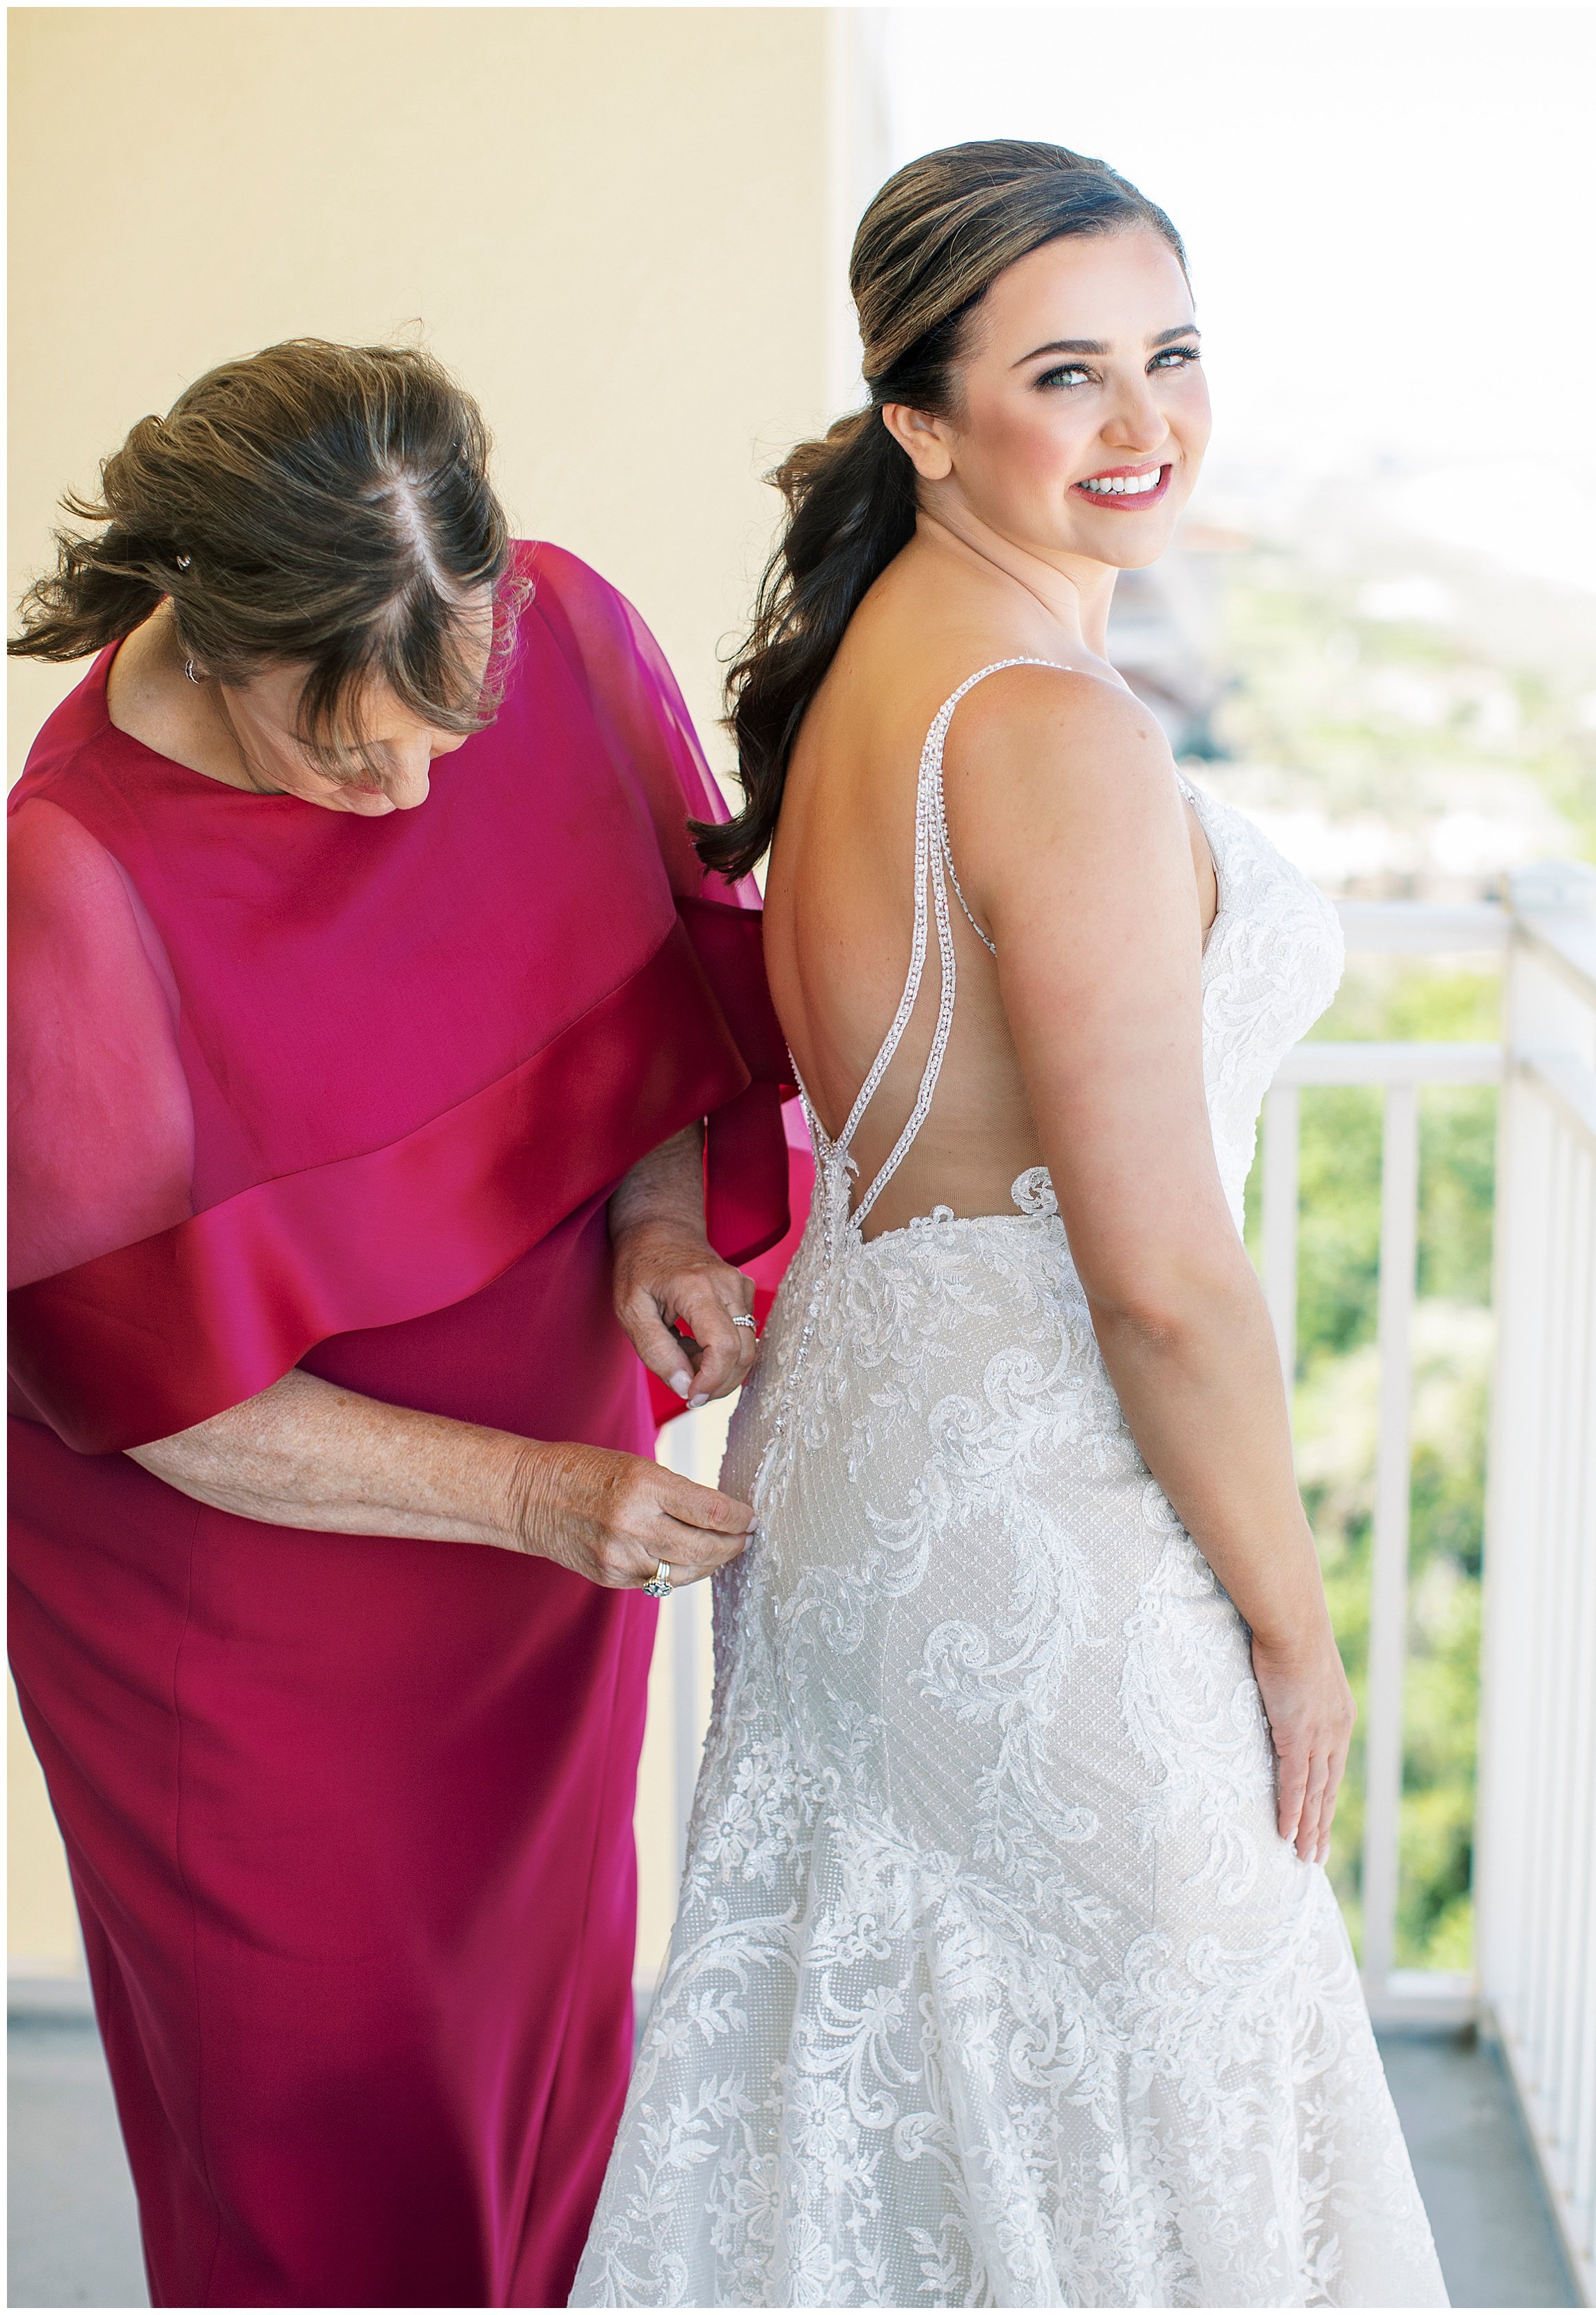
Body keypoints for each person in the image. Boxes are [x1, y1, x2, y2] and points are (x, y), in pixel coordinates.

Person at [574, 143, 1449, 2308]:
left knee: (885, 2118)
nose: (1145, 424)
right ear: (921, 417)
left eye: (1171, 353)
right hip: (1050, 1524)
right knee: (1143, 2128)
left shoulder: (876, 657)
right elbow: (1157, 1278)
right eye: (1067, 374)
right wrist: (1292, 1622)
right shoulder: (1047, 731)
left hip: (869, 1466)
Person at [8, 339, 801, 2307]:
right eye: (348, 740)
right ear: (206, 621)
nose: (413, 781)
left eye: (451, 718)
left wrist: (655, 1229)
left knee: (531, 2084)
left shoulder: (560, 633)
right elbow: (163, 1408)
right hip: (247, 1614)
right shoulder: (63, 885)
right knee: (332, 2143)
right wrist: (542, 1497)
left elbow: (649, 1016)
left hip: (536, 1579)